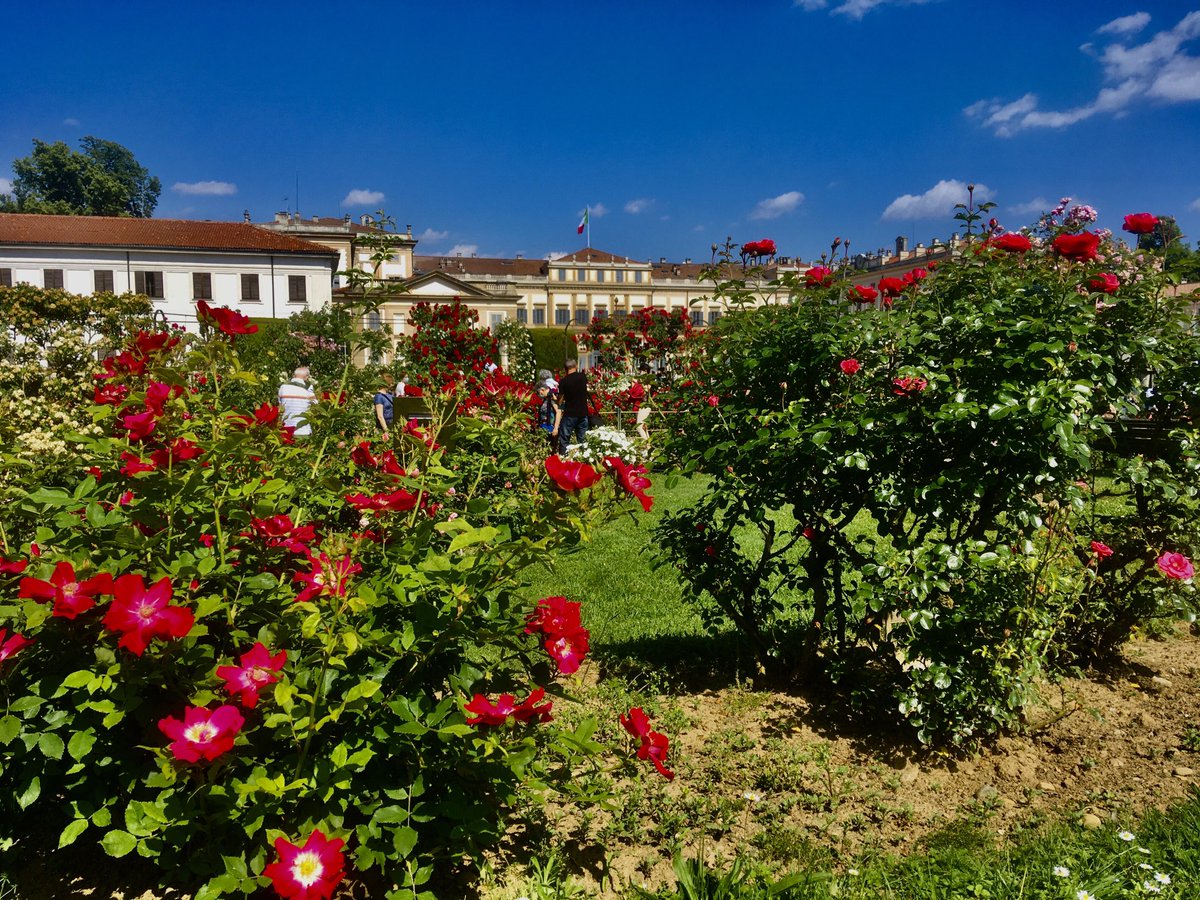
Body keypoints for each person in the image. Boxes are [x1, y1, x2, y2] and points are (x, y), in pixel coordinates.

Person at [557, 359, 589, 454]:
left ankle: (563, 458)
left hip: (570, 413)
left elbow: (560, 400)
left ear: (565, 369)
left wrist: (557, 400)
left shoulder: (563, 381)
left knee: (564, 439)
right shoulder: (582, 377)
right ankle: (584, 458)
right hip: (583, 413)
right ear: (576, 366)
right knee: (583, 440)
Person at [278, 366, 317, 438]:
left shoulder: (283, 388)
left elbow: (280, 408)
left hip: (285, 430)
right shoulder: (308, 390)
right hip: (303, 431)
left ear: (294, 375)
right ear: (306, 377)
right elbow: (315, 407)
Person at [535, 381, 560, 452]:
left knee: (550, 449)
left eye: (539, 392)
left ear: (542, 390)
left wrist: (556, 428)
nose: (539, 395)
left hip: (550, 428)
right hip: (545, 427)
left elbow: (558, 412)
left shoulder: (551, 397)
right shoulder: (546, 398)